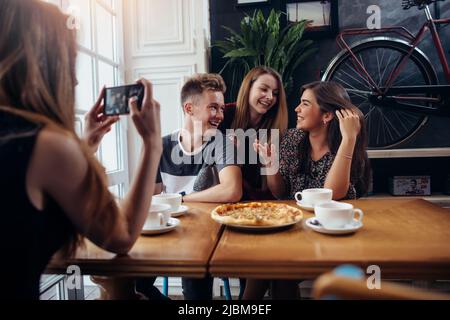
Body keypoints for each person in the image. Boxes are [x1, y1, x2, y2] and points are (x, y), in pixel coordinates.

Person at [0, 0, 162, 299]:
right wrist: (152, 144)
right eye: (70, 61)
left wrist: (83, 145)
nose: (74, 78)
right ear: (45, 64)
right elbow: (121, 235)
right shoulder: (47, 146)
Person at [247, 81, 371, 299]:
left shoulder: (345, 145)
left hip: (331, 236)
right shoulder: (292, 139)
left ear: (326, 116)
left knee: (278, 269)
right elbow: (280, 192)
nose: (297, 109)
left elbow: (333, 193)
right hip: (294, 229)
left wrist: (349, 138)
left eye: (304, 104)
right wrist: (270, 165)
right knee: (263, 263)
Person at [137, 73, 243, 300]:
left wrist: (180, 199)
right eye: (213, 108)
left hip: (201, 236)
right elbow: (151, 197)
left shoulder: (220, 141)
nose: (220, 116)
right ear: (189, 108)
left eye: (222, 109)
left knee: (197, 298)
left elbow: (232, 190)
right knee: (134, 286)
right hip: (165, 230)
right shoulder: (161, 145)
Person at [219, 66, 288, 200]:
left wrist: (270, 165)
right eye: (263, 89)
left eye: (275, 93)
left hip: (264, 205)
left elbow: (279, 193)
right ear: (248, 88)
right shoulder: (224, 116)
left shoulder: (275, 127)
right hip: (228, 202)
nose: (269, 97)